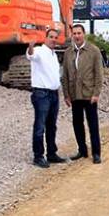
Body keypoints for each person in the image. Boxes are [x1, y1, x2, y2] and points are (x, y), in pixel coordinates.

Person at [62, 24, 104, 164]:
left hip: (89, 94)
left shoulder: (93, 51)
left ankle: (96, 153)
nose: (77, 36)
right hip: (74, 95)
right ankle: (82, 150)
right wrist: (66, 94)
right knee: (77, 123)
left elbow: (99, 74)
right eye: (74, 33)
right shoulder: (68, 52)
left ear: (83, 34)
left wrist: (96, 93)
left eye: (79, 33)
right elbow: (65, 75)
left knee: (93, 125)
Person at [26, 29, 66, 168]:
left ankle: (51, 153)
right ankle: (38, 156)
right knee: (40, 126)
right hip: (42, 94)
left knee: (51, 126)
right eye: (51, 37)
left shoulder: (53, 54)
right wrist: (30, 46)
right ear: (45, 38)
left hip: (53, 94)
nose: (53, 39)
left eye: (55, 37)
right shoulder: (39, 51)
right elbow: (31, 56)